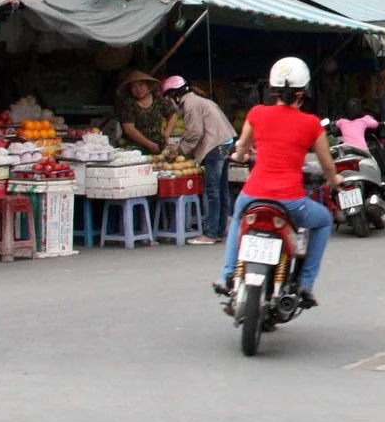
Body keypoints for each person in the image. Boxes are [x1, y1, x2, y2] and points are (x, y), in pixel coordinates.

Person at [215, 57, 339, 305]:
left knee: (238, 218)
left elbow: (241, 148)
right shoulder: (312, 124)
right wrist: (333, 179)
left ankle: (228, 274)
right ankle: (305, 283)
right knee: (324, 220)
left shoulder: (257, 113)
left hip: (252, 195)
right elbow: (326, 164)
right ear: (302, 91)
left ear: (272, 89)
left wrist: (240, 155)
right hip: (291, 203)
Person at [164, 76, 235, 246]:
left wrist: (179, 150)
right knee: (221, 190)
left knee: (212, 191)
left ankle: (211, 233)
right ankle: (219, 230)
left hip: (215, 146)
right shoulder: (199, 100)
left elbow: (194, 132)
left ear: (174, 95)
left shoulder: (190, 105)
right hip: (225, 142)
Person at [114, 72, 177, 154]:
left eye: (141, 85)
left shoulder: (158, 99)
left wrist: (166, 136)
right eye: (134, 87)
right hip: (134, 148)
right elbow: (129, 129)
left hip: (157, 146)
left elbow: (172, 116)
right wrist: (149, 145)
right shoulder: (128, 103)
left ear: (148, 86)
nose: (138, 89)